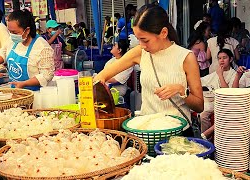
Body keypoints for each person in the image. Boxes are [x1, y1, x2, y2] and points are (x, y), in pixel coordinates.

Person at [94, 5, 204, 136]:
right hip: (146, 132)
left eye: (145, 40)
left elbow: (199, 106)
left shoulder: (186, 57)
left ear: (163, 33)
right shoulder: (140, 52)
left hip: (178, 134)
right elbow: (101, 77)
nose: (141, 45)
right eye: (138, 39)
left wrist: (181, 90)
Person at [0, 9, 54, 91]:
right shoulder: (13, 40)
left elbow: (47, 75)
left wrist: (24, 83)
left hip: (35, 94)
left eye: (15, 32)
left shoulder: (42, 47)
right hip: (15, 92)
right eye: (10, 32)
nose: (12, 35)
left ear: (27, 30)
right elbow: (3, 51)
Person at [200, 49, 237, 134]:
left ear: (230, 59)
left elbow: (227, 92)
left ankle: (206, 136)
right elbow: (203, 80)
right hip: (212, 99)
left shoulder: (233, 74)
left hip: (225, 102)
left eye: (224, 58)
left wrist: (220, 75)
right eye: (219, 58)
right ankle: (203, 135)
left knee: (204, 114)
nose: (221, 60)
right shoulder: (216, 72)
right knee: (198, 109)